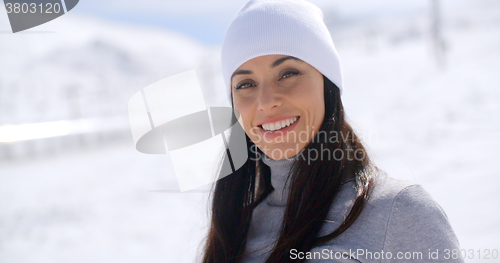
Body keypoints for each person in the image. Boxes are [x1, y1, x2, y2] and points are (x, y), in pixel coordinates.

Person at [201, 0, 463, 262]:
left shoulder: (399, 212)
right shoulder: (237, 228)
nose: (266, 101)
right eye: (246, 84)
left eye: (288, 73)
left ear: (328, 86)